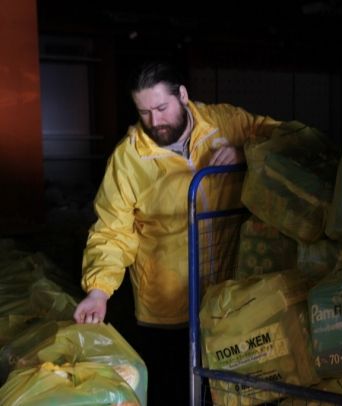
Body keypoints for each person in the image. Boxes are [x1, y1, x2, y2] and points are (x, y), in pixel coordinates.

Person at [73, 61, 279, 405]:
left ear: (182, 95)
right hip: (167, 308)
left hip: (230, 296)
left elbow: (285, 137)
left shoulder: (225, 124)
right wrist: (98, 291)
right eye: (144, 112)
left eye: (161, 108)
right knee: (174, 392)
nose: (155, 121)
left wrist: (248, 152)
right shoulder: (128, 159)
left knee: (229, 392)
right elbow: (111, 231)